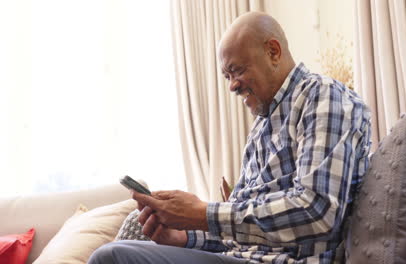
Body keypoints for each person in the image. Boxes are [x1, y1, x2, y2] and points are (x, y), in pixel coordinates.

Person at [89, 11, 371, 264]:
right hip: (243, 257)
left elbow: (317, 211)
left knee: (111, 257)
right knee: (127, 243)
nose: (233, 85)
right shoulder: (260, 128)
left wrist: (204, 214)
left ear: (273, 51)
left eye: (237, 70)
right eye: (226, 76)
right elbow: (241, 235)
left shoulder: (322, 97)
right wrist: (184, 238)